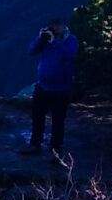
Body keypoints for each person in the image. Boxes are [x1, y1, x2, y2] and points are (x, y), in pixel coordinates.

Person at [27, 20, 78, 153]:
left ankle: (55, 148)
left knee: (58, 119)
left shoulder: (71, 40)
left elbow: (68, 55)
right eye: (52, 28)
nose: (54, 30)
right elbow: (31, 50)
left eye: (56, 28)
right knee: (37, 116)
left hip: (61, 89)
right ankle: (35, 144)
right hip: (42, 86)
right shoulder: (45, 41)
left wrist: (54, 42)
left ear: (63, 27)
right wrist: (40, 38)